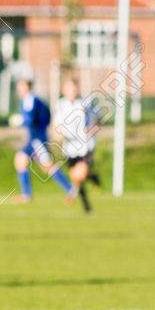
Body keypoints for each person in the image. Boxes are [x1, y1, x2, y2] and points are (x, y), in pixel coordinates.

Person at [13, 78, 75, 203]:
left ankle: (71, 190)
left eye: (21, 86)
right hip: (33, 140)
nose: (19, 89)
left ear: (27, 87)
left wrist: (21, 121)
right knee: (21, 160)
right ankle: (26, 194)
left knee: (47, 166)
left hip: (37, 140)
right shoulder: (29, 100)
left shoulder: (31, 100)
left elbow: (33, 119)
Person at [54, 76, 101, 213]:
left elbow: (98, 119)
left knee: (78, 176)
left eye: (74, 88)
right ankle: (92, 180)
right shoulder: (60, 104)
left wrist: (93, 128)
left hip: (86, 146)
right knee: (77, 178)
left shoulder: (86, 102)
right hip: (69, 148)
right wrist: (58, 135)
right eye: (69, 88)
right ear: (64, 90)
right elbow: (56, 125)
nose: (72, 91)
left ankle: (83, 203)